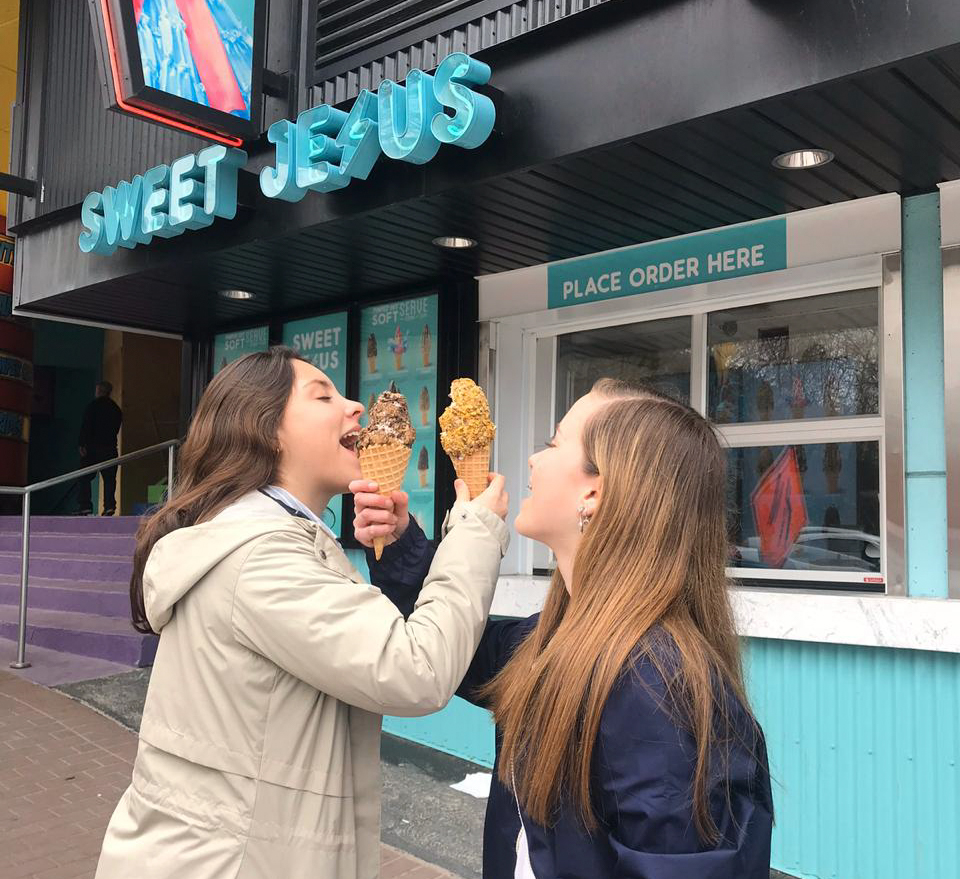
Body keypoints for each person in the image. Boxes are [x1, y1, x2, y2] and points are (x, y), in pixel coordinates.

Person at [94, 347, 509, 879]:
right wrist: (474, 529)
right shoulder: (259, 556)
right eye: (324, 396)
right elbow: (414, 669)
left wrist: (402, 544)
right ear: (266, 431)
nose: (356, 405)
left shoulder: (272, 539)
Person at [355, 378, 774, 878]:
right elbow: (461, 647)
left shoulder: (655, 685)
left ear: (594, 491)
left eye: (554, 443)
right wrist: (401, 544)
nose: (532, 460)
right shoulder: (563, 637)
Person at [76, 381, 123, 516]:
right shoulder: (115, 409)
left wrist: (82, 444)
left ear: (99, 391)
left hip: (92, 449)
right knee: (109, 479)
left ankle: (85, 505)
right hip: (110, 448)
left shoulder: (93, 406)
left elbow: (86, 426)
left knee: (84, 476)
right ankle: (109, 506)